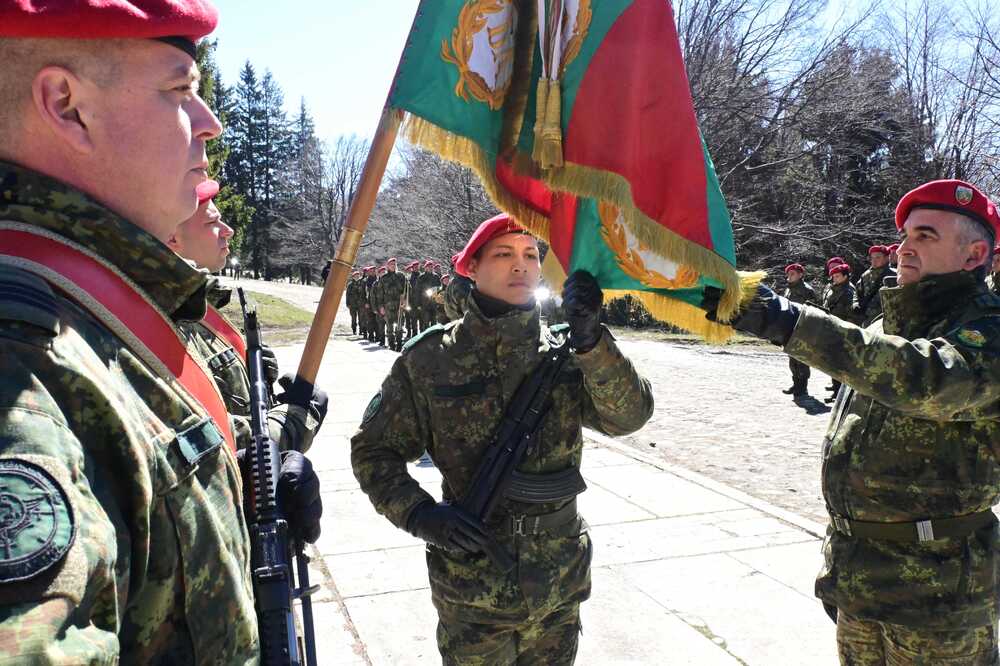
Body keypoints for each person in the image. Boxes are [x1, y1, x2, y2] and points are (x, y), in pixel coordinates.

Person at [0, 4, 320, 661]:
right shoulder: (24, 365)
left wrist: (236, 481)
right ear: (66, 105)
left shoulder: (89, 312)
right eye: (180, 90)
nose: (211, 123)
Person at [708, 179, 1000, 665]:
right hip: (860, 581)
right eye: (906, 235)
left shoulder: (989, 330)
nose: (905, 248)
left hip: (939, 596)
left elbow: (928, 378)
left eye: (925, 236)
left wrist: (786, 321)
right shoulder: (883, 327)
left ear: (974, 255)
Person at [351, 214, 653, 665]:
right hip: (474, 591)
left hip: (557, 585)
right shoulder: (431, 358)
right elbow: (375, 451)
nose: (522, 266)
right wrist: (420, 515)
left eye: (531, 254)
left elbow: (629, 416)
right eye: (504, 254)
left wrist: (594, 342)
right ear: (471, 267)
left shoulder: (567, 353)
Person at [167, 180, 326, 453]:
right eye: (212, 222)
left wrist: (248, 376)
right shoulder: (170, 317)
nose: (227, 231)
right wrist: (293, 420)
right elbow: (208, 443)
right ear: (173, 238)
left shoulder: (199, 305)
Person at [822, 262, 860, 402]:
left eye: (837, 276)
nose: (834, 279)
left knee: (841, 364)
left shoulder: (849, 291)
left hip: (842, 331)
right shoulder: (833, 288)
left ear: (845, 276)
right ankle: (836, 392)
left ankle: (841, 395)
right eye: (833, 276)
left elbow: (852, 315)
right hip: (831, 328)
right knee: (833, 363)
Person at [781, 263, 816, 397]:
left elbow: (813, 311)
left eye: (793, 274)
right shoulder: (788, 289)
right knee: (792, 358)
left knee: (801, 359)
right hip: (789, 327)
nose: (789, 277)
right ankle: (795, 384)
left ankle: (803, 387)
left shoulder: (807, 290)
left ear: (800, 275)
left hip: (802, 328)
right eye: (788, 274)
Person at [856, 245, 895, 325]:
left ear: (887, 258)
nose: (874, 260)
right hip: (867, 319)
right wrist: (855, 304)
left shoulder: (894, 275)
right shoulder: (865, 275)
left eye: (878, 257)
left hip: (886, 320)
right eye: (872, 257)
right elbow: (857, 292)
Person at [378, 257, 408, 351]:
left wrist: (405, 302)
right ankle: (391, 345)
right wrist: (381, 307)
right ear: (387, 266)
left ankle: (399, 346)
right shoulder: (383, 278)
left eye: (394, 264)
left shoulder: (401, 276)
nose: (393, 266)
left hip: (399, 305)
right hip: (388, 306)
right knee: (389, 327)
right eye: (391, 264)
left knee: (399, 327)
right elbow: (380, 294)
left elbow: (406, 290)